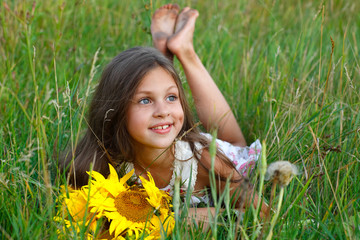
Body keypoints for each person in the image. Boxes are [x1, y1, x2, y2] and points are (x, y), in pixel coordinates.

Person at [61, 3, 266, 227]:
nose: (163, 111)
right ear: (116, 110)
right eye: (145, 100)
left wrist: (177, 219)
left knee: (235, 142)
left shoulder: (207, 161)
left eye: (172, 98)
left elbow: (261, 214)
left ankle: (185, 51)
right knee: (156, 77)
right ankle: (160, 56)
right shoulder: (101, 161)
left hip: (212, 151)